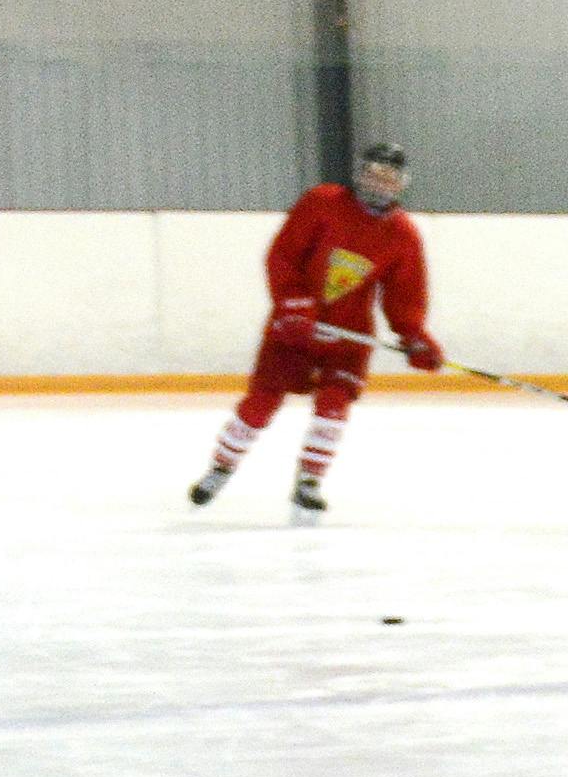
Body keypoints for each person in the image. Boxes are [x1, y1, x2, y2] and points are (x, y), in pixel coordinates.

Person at [187, 141, 440, 516]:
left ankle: (309, 480)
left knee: (334, 404)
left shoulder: (403, 235)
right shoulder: (322, 202)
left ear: (401, 184)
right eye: (372, 174)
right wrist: (292, 303)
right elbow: (284, 254)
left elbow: (405, 294)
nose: (379, 183)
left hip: (348, 335)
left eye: (388, 178)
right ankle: (220, 468)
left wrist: (414, 335)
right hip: (294, 327)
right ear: (359, 174)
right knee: (262, 401)